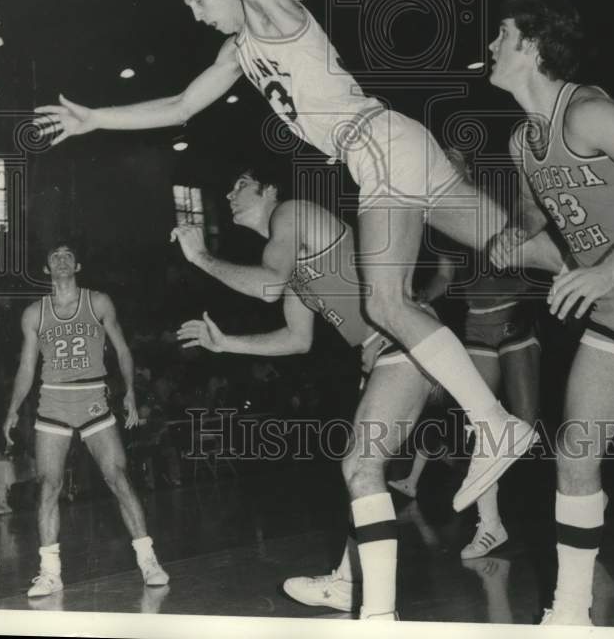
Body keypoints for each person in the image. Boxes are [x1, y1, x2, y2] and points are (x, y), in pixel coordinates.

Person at [35, 0, 537, 518]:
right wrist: (95, 119)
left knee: (386, 301)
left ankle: (493, 423)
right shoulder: (238, 50)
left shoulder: (268, 10)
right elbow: (181, 106)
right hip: (395, 142)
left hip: (375, 145)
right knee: (513, 243)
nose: (194, 13)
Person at [487, 0, 614, 626]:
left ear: (535, 47)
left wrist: (607, 269)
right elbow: (566, 232)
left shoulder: (588, 112)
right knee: (574, 452)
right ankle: (569, 612)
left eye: (502, 34)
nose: (491, 45)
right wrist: (519, 247)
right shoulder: (522, 143)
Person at [176, 165, 438, 620]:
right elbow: (297, 339)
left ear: (270, 189)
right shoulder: (297, 267)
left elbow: (266, 286)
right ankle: (347, 582)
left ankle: (378, 613)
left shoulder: (292, 213)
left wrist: (201, 258)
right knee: (361, 471)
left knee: (360, 468)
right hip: (388, 350)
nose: (230, 193)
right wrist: (227, 344)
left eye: (240, 184)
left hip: (407, 339)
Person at [389, 149, 547, 559]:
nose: (439, 163)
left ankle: (583, 487)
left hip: (516, 315)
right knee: (486, 426)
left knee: (524, 426)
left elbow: (538, 249)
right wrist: (414, 301)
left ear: (467, 165)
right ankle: (490, 526)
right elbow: (443, 276)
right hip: (477, 324)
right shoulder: (439, 220)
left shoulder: (496, 199)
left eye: (449, 158)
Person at [2, 241, 168, 598]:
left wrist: (130, 392)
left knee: (118, 478)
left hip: (93, 398)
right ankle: (49, 573)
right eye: (54, 257)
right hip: (54, 402)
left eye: (67, 256)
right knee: (48, 485)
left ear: (77, 266)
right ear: (47, 269)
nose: (61, 260)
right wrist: (13, 408)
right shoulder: (34, 313)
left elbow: (122, 348)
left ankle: (148, 560)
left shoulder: (98, 302)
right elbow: (27, 366)